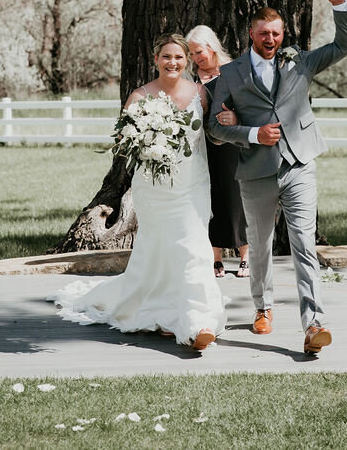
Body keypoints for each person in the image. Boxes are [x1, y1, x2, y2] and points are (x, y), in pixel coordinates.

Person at [50, 33, 225, 351]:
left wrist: (231, 121)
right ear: (156, 59)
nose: (173, 63)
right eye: (166, 57)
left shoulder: (200, 92)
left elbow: (213, 132)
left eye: (179, 57)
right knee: (157, 251)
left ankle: (197, 321)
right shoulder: (140, 96)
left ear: (187, 61)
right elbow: (122, 142)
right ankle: (161, 307)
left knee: (195, 248)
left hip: (193, 186)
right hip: (153, 189)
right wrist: (146, 140)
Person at [208, 0, 347, 355]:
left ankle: (314, 324)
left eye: (275, 33)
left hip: (299, 164)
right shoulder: (230, 73)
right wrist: (253, 133)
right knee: (259, 247)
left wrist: (341, 7)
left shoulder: (300, 61)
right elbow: (215, 126)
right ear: (251, 35)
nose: (270, 39)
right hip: (256, 171)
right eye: (263, 33)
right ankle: (262, 308)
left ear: (282, 35)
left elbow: (342, 47)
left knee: (304, 244)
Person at [186, 25, 250, 278]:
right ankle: (216, 257)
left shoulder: (233, 72)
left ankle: (246, 255)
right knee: (209, 199)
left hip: (232, 145)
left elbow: (252, 106)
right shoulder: (191, 79)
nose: (196, 58)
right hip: (203, 146)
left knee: (236, 198)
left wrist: (237, 117)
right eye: (191, 54)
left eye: (198, 52)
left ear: (211, 47)